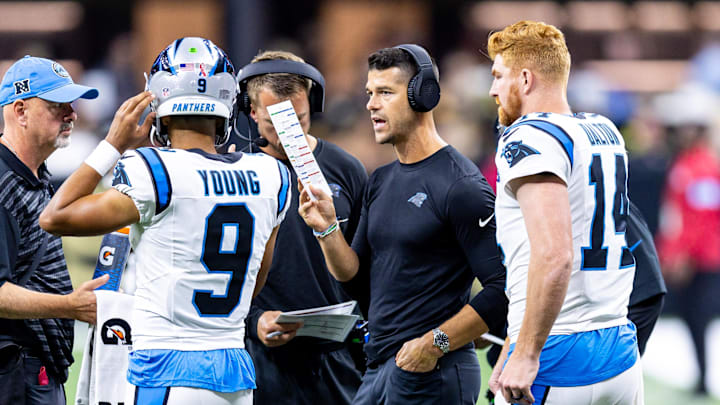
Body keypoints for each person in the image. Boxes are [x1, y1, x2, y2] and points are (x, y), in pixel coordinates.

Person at [39, 37, 290, 405]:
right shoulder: (272, 175)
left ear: (159, 105)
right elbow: (257, 279)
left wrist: (113, 145)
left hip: (165, 370)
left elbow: (55, 216)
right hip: (234, 375)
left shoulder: (153, 170)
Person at [298, 44, 507, 405]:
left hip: (433, 372)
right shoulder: (379, 180)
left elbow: (502, 289)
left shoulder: (461, 186)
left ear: (422, 95)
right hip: (380, 367)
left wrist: (434, 344)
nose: (371, 104)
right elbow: (356, 279)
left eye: (385, 93)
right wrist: (327, 229)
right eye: (369, 93)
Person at [486, 21, 643, 405]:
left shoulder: (527, 136)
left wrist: (524, 353)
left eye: (498, 75)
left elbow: (554, 256)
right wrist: (512, 342)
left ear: (524, 79)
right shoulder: (604, 129)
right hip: (620, 346)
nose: (492, 90)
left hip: (557, 352)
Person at [236, 50, 366, 404]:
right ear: (251, 112)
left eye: (298, 119)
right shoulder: (234, 175)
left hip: (337, 357)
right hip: (258, 357)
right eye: (273, 123)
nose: (286, 134)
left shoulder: (346, 169)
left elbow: (367, 264)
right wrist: (254, 321)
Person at [0, 55, 107, 405]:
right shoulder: (2, 184)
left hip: (35, 370)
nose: (72, 114)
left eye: (71, 105)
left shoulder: (35, 175)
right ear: (20, 112)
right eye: (57, 105)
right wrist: (68, 306)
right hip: (14, 374)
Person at [655, 122, 720, 396]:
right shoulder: (685, 165)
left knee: (698, 316)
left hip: (703, 259)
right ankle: (702, 375)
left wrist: (683, 254)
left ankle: (704, 378)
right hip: (694, 256)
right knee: (691, 317)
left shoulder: (703, 168)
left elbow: (701, 217)